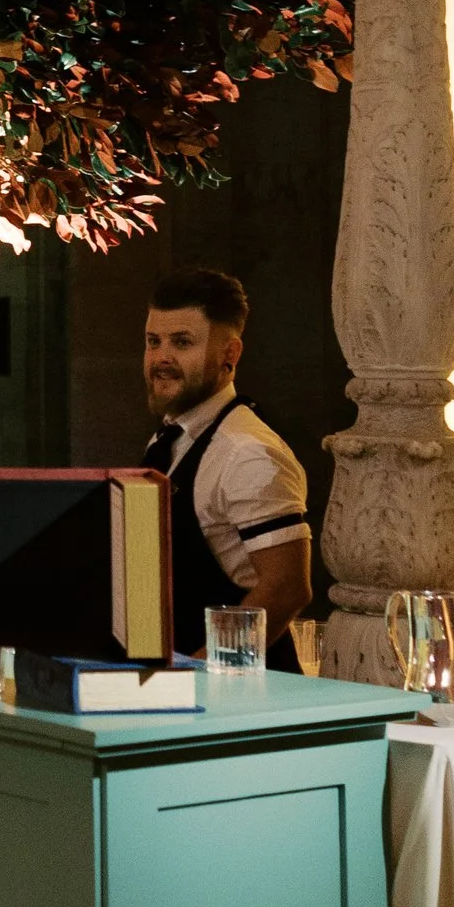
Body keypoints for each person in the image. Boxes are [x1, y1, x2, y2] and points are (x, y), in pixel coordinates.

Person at [141, 268, 312, 671]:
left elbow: (287, 588)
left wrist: (200, 673)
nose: (162, 358)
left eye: (182, 342)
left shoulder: (247, 451)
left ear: (230, 354)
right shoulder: (166, 441)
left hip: (244, 700)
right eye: (153, 342)